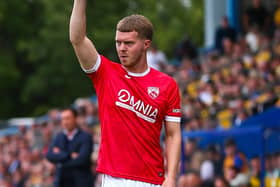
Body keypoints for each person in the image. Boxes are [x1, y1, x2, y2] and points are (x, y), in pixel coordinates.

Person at [69, 1, 182, 187]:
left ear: (146, 44)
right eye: (118, 42)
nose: (121, 48)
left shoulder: (167, 85)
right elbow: (77, 39)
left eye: (128, 43)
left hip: (153, 179)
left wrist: (171, 177)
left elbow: (173, 135)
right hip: (115, 179)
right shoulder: (105, 73)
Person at [46, 108, 93, 187]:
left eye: (68, 118)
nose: (65, 122)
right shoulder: (59, 137)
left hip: (81, 182)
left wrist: (60, 161)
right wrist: (69, 155)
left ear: (75, 119)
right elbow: (49, 155)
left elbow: (82, 160)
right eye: (63, 119)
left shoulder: (85, 137)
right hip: (61, 182)